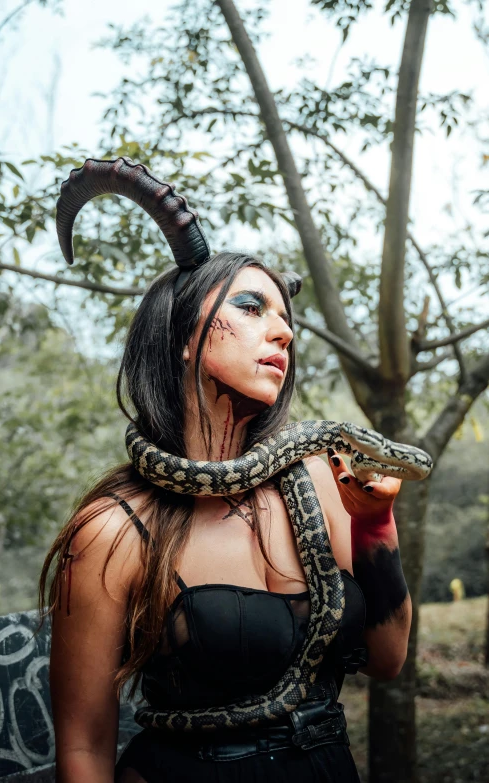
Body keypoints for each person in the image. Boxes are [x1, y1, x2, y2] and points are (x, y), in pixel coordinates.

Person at [39, 158, 413, 783]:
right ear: (187, 334)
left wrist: (376, 526)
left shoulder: (324, 479)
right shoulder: (114, 529)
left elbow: (387, 659)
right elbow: (83, 746)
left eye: (287, 321)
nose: (283, 334)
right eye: (251, 307)